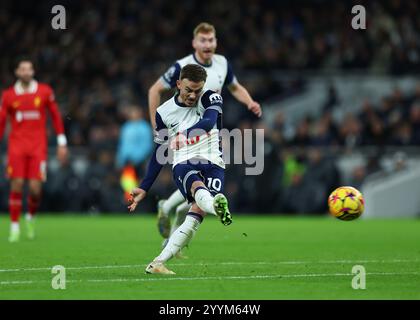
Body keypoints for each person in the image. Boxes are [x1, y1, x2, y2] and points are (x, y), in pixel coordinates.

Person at [148, 22, 261, 243]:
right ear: (194, 43)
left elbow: (235, 87)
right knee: (198, 180)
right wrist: (156, 125)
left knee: (200, 180)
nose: (207, 44)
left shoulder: (222, 64)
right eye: (203, 40)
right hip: (184, 131)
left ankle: (169, 212)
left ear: (216, 42)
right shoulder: (183, 67)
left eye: (211, 40)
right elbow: (155, 90)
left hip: (209, 129)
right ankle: (172, 222)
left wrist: (250, 102)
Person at [129, 64, 232, 274]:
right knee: (197, 189)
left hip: (214, 161)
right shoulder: (163, 112)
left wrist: (184, 135)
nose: (193, 95)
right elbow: (160, 150)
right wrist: (145, 186)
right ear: (178, 84)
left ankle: (157, 263)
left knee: (197, 212)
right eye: (188, 90)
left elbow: (208, 121)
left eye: (197, 90)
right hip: (184, 162)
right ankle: (218, 208)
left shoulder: (211, 97)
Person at [0, 59, 68, 242]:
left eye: (29, 68)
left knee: (35, 189)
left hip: (38, 147)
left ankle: (30, 217)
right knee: (17, 184)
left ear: (33, 71)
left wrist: (62, 142)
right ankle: (14, 227)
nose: (26, 71)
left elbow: (55, 116)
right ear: (17, 72)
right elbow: (1, 121)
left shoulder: (44, 91)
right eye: (22, 68)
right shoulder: (8, 95)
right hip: (16, 146)